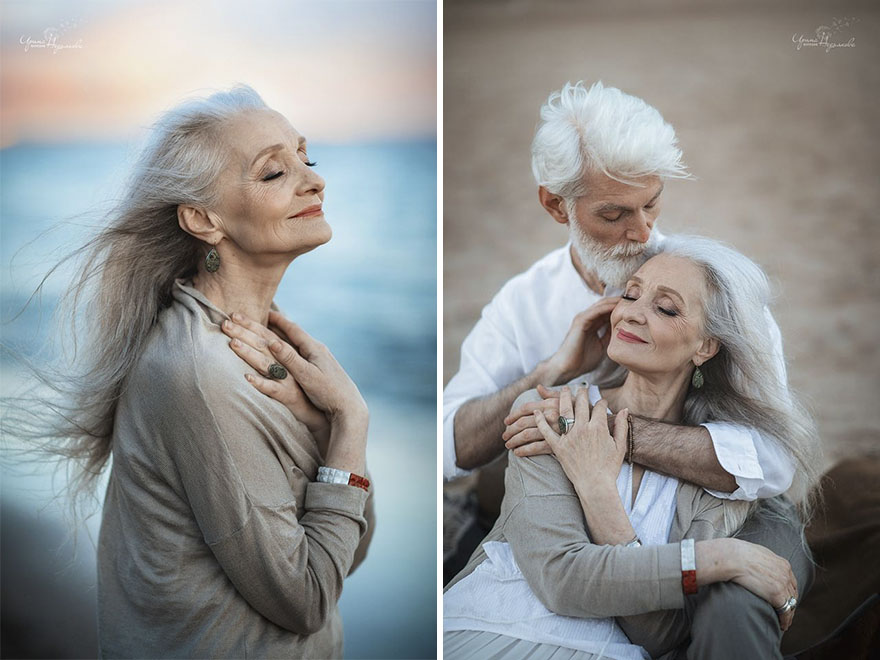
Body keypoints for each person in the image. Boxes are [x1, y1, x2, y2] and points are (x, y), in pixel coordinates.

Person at [443, 81, 814, 656]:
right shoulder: (523, 303)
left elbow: (769, 462)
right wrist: (551, 373)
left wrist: (600, 434)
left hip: (725, 495)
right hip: (549, 512)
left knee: (738, 601)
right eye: (613, 213)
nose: (640, 232)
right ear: (554, 204)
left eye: (651, 204)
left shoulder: (719, 296)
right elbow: (452, 446)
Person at [10, 85, 375, 658]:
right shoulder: (198, 375)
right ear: (203, 220)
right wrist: (351, 420)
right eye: (274, 172)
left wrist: (327, 429)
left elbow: (350, 547)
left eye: (308, 157)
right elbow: (306, 599)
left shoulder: (264, 345)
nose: (313, 179)